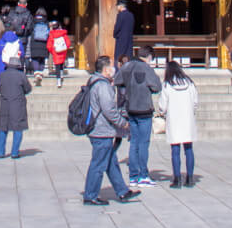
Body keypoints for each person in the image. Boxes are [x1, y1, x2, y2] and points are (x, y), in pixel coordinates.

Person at [80, 55, 139, 206]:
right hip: (101, 130)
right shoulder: (102, 86)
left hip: (99, 128)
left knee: (111, 162)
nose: (113, 69)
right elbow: (109, 110)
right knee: (98, 164)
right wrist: (122, 123)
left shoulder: (94, 81)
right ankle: (90, 195)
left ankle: (122, 191)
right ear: (106, 70)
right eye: (111, 67)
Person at [118, 45, 163, 186]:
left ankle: (133, 176)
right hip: (144, 109)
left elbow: (118, 81)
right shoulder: (147, 69)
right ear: (149, 56)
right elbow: (156, 87)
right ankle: (143, 174)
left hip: (130, 109)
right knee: (144, 143)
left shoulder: (127, 66)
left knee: (134, 143)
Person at [161, 59, 199, 188]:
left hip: (174, 119)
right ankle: (190, 177)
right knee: (188, 149)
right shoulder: (190, 83)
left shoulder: (167, 85)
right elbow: (195, 101)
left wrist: (162, 113)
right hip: (187, 119)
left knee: (175, 150)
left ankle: (177, 178)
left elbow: (162, 105)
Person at [0, 46, 32, 159]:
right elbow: (28, 89)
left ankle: (1, 152)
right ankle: (14, 152)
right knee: (18, 128)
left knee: (3, 128)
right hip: (18, 104)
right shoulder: (21, 76)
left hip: (5, 104)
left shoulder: (1, 75)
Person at [46, 16, 71, 86]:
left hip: (55, 52)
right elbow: (68, 43)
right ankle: (62, 74)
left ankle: (58, 80)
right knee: (61, 63)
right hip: (62, 51)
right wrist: (65, 48)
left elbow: (49, 45)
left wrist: (52, 51)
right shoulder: (63, 34)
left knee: (57, 65)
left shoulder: (51, 35)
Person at [28, 8, 51, 82]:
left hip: (34, 42)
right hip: (43, 43)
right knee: (42, 58)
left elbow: (29, 29)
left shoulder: (33, 21)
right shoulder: (46, 22)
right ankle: (40, 72)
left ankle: (36, 72)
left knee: (35, 58)